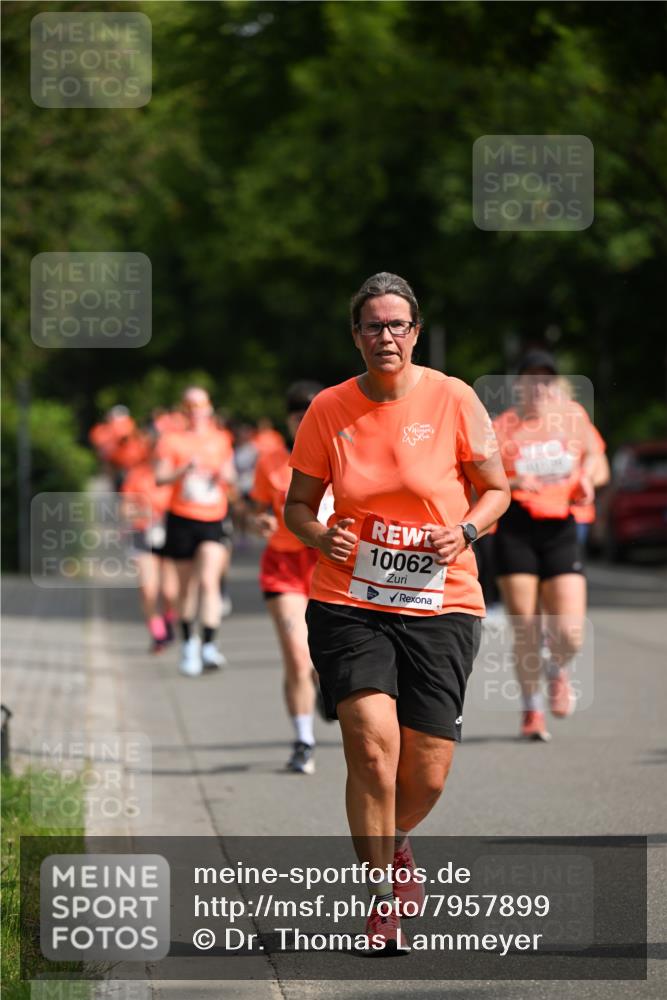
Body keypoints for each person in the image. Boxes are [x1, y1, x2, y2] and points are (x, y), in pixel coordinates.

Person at [284, 272, 510, 951]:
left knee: (426, 771)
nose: (386, 335)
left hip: (442, 600)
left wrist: (465, 531)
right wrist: (320, 536)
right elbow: (297, 507)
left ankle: (397, 839)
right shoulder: (328, 409)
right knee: (370, 746)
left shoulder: (454, 398)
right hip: (349, 600)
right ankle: (381, 899)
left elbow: (496, 490)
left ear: (415, 332)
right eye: (373, 325)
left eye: (397, 324)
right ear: (355, 335)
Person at [492, 350, 600, 742]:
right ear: (518, 384)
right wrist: (514, 482)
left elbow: (597, 459)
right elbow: (482, 480)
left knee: (570, 632)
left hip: (561, 525)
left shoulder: (572, 417)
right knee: (526, 625)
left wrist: (586, 477)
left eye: (545, 379)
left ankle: (557, 668)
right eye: (531, 379)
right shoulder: (502, 427)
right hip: (516, 526)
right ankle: (532, 709)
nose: (538, 386)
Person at [251, 381, 327, 775]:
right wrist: (260, 520)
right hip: (283, 566)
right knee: (298, 656)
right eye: (298, 416)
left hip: (329, 565)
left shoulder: (341, 455)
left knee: (322, 660)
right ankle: (303, 740)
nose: (304, 422)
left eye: (311, 415)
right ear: (289, 420)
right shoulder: (270, 462)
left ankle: (325, 690)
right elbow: (256, 509)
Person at [154, 387, 237, 676]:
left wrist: (223, 475)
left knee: (209, 580)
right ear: (184, 409)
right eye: (191, 406)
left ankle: (209, 646)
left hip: (213, 518)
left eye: (201, 405)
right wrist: (183, 470)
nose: (197, 411)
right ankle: (189, 643)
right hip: (182, 518)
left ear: (209, 408)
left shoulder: (221, 438)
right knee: (185, 587)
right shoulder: (172, 440)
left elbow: (231, 475)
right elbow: (160, 477)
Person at [120, 449, 179, 652]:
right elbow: (125, 508)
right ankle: (158, 633)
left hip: (171, 534)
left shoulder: (177, 475)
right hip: (143, 533)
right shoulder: (137, 474)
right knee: (148, 589)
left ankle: (169, 620)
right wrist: (144, 512)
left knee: (170, 591)